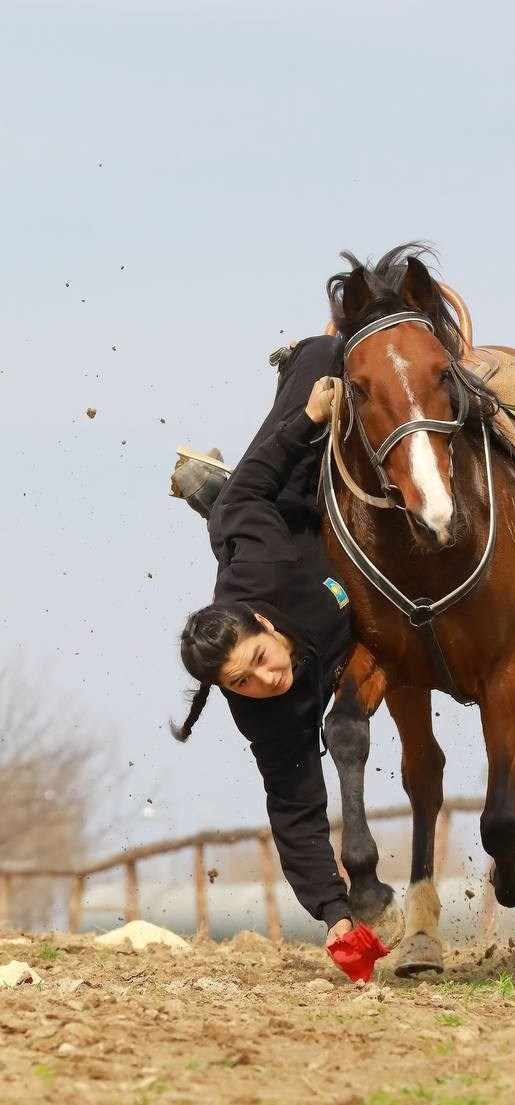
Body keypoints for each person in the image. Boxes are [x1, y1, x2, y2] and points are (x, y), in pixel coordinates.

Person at [171, 335, 358, 949]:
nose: (266, 679)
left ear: (267, 630)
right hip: (326, 600)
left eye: (258, 660)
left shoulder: (258, 568)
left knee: (319, 360)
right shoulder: (266, 712)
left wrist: (310, 418)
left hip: (277, 519)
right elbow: (295, 808)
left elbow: (258, 490)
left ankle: (211, 491)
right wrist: (334, 914)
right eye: (242, 683)